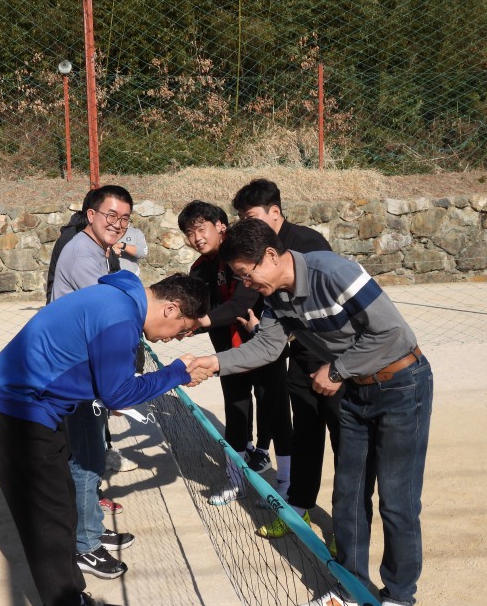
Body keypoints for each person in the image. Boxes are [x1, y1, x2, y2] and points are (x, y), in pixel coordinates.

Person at [188, 218, 433, 606]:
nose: (246, 284)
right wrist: (212, 363)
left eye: (246, 274)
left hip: (401, 385)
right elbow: (266, 348)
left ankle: (400, 596)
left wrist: (336, 369)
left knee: (396, 500)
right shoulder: (276, 297)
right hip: (355, 391)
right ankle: (350, 586)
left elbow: (392, 334)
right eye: (239, 278)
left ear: (271, 255)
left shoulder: (333, 272)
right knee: (348, 495)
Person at [0, 271, 210, 606]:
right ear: (170, 309)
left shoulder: (119, 299)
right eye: (183, 330)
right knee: (48, 519)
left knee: (62, 505)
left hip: (33, 406)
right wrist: (177, 373)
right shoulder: (120, 318)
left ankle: (72, 594)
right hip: (14, 410)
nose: (178, 339)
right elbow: (118, 394)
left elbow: (106, 379)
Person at [232, 178, 342, 540]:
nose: (245, 225)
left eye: (251, 217)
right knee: (305, 438)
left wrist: (335, 367)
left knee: (345, 447)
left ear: (275, 212)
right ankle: (298, 510)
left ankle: (346, 532)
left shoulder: (310, 245)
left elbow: (330, 310)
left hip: (336, 364)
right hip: (299, 360)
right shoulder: (256, 253)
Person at [51, 185, 139, 579]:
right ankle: (85, 546)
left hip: (85, 370)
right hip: (76, 373)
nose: (117, 224)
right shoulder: (83, 255)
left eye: (124, 219)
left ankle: (91, 529)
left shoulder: (98, 251)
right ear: (91, 215)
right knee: (86, 460)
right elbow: (107, 317)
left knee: (92, 455)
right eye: (110, 215)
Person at [178, 200, 290, 506]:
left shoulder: (241, 257)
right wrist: (183, 324)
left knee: (276, 412)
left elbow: (240, 305)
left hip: (264, 346)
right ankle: (236, 481)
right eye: (189, 233)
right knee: (236, 412)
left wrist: (198, 322)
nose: (196, 238)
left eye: (201, 229)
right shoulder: (199, 269)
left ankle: (285, 482)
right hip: (227, 354)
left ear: (220, 226)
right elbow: (201, 310)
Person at [104, 224, 149, 473]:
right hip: (113, 296)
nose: (119, 222)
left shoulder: (135, 233)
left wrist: (121, 246)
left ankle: (132, 379)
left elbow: (142, 252)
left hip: (129, 292)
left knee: (133, 344)